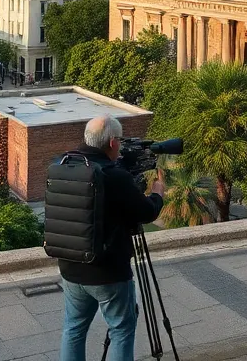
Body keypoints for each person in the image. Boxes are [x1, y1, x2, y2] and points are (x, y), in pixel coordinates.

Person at [57, 115, 165, 361]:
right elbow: (147, 212)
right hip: (108, 272)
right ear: (113, 143)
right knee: (122, 328)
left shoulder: (66, 163)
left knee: (73, 329)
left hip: (71, 264)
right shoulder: (116, 176)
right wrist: (157, 193)